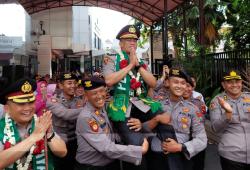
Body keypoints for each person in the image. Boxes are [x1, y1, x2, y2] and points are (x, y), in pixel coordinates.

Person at [103, 25, 162, 169]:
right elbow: (109, 80)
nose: (132, 43)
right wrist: (130, 65)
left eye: (134, 40)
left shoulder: (142, 62)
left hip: (142, 103)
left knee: (165, 120)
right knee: (137, 143)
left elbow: (153, 83)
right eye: (128, 40)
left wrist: (139, 66)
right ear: (120, 43)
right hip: (121, 106)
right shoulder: (111, 59)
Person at [75, 76, 149, 170]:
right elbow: (107, 148)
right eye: (94, 93)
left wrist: (138, 124)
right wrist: (139, 150)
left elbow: (113, 134)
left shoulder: (105, 108)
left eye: (102, 91)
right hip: (91, 167)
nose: (99, 96)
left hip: (110, 163)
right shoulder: (86, 118)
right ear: (86, 96)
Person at [0, 77, 67, 169]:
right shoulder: (1, 127)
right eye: (21, 104)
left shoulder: (41, 123)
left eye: (31, 102)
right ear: (7, 108)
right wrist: (33, 137)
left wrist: (49, 134)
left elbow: (62, 152)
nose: (28, 108)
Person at [149, 68, 207, 170]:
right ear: (167, 82)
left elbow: (202, 139)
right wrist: (156, 120)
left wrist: (180, 147)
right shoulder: (156, 104)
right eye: (175, 82)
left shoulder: (192, 109)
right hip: (158, 157)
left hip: (181, 158)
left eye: (183, 83)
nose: (179, 86)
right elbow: (143, 129)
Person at [210, 70, 250, 170]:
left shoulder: (249, 97)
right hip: (231, 155)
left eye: (237, 81)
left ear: (241, 83)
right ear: (223, 85)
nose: (234, 85)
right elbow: (215, 128)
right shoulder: (217, 101)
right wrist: (227, 114)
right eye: (230, 82)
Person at [46, 72, 83, 170]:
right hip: (60, 143)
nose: (73, 86)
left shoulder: (79, 100)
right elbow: (66, 114)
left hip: (77, 143)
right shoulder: (53, 101)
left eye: (75, 83)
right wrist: (88, 109)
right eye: (69, 83)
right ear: (61, 85)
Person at [183, 76, 207, 170]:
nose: (186, 88)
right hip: (180, 141)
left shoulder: (199, 103)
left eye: (189, 86)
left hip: (196, 139)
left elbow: (201, 120)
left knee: (198, 165)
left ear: (192, 88)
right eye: (184, 85)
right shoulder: (172, 101)